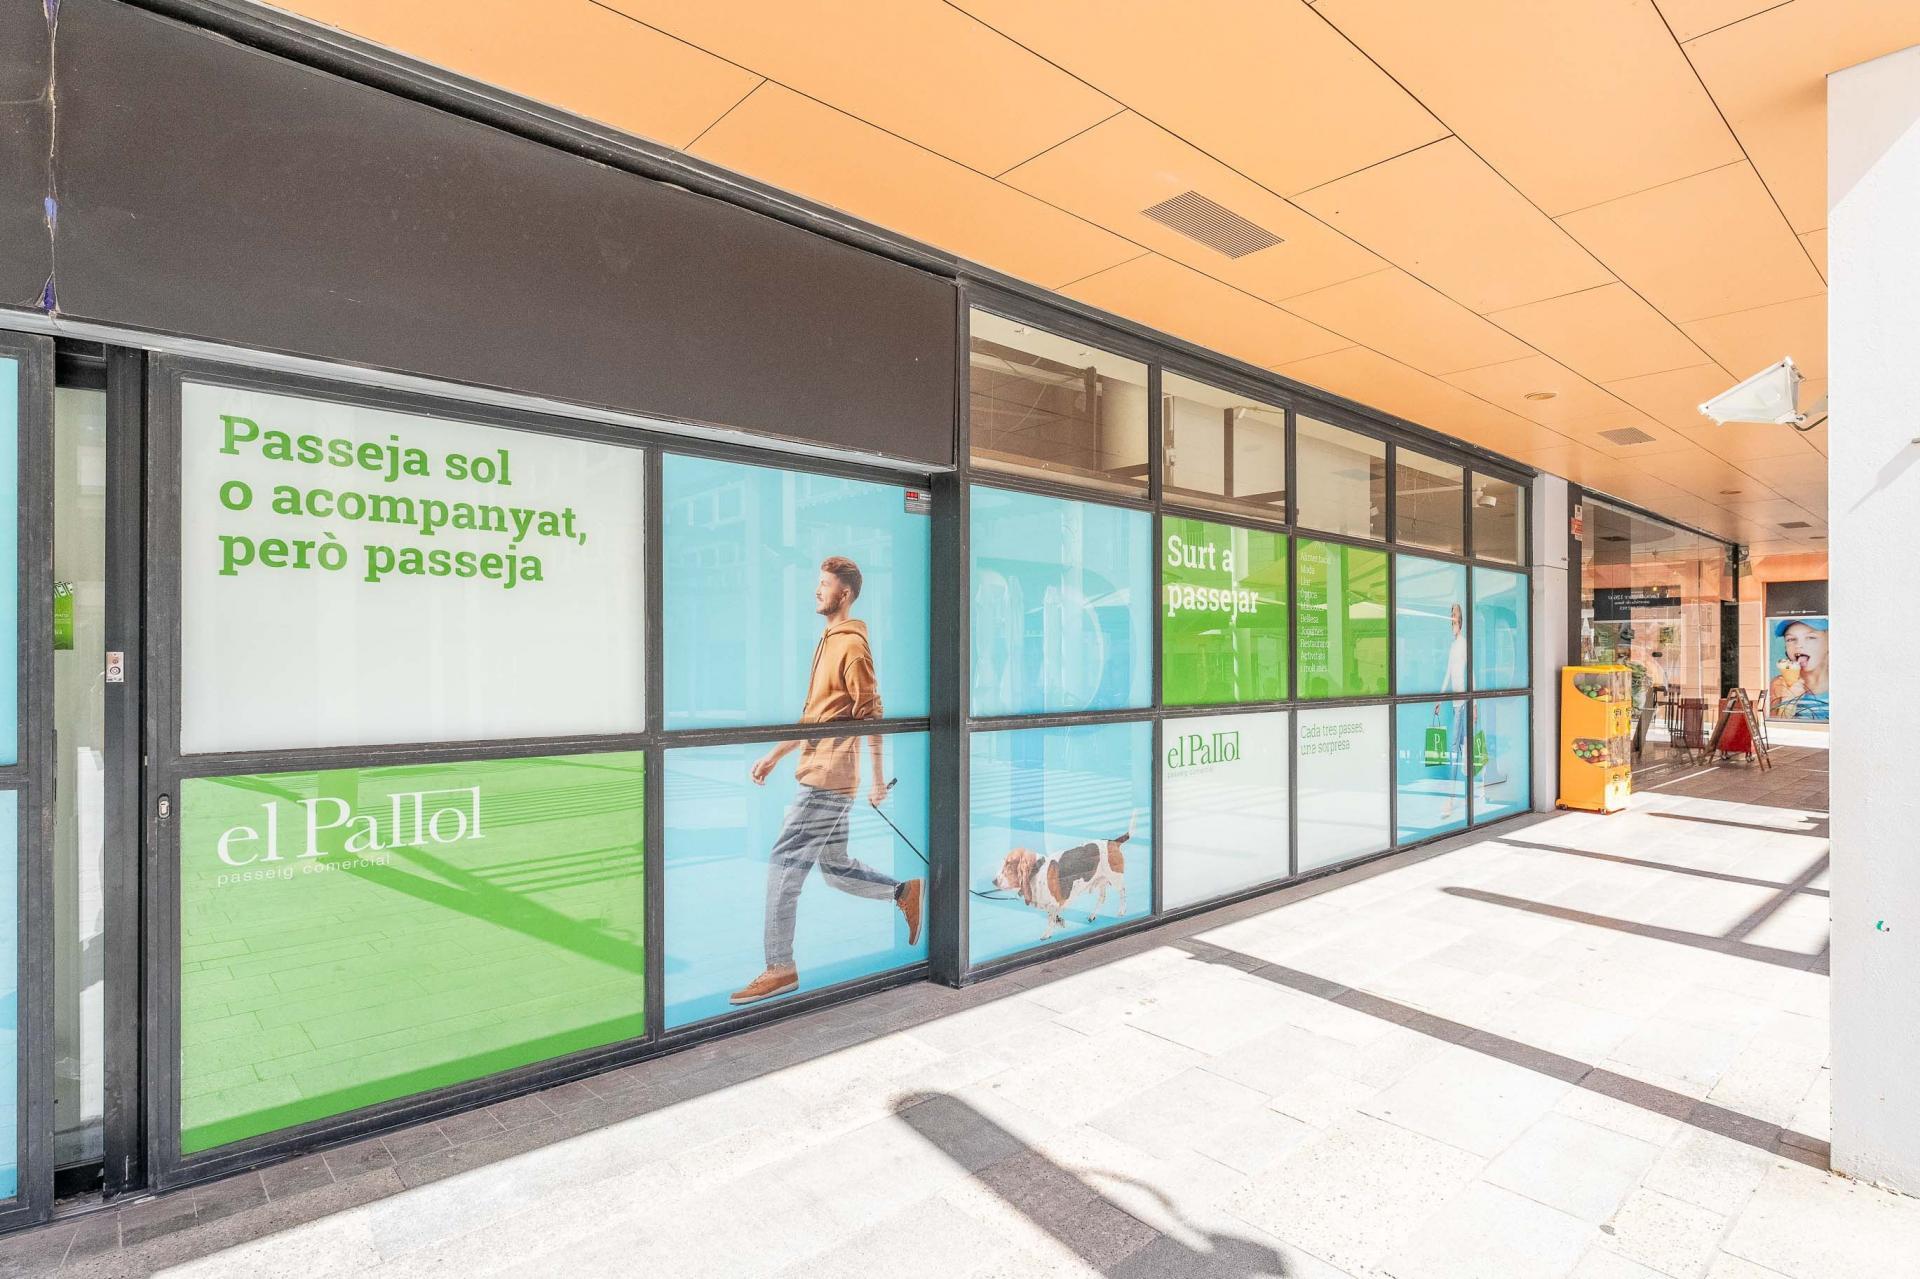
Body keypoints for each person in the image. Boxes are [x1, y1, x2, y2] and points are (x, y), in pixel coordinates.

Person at [730, 556, 924, 1006]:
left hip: (827, 777)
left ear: (845, 594)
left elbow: (871, 713)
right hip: (823, 771)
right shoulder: (829, 640)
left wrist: (877, 779)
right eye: (817, 583)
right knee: (835, 868)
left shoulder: (852, 646)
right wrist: (776, 756)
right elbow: (814, 717)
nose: (817, 591)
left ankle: (779, 967)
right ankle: (903, 891)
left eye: (824, 584)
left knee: (783, 863)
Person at [1435, 602, 1468, 820]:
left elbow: (1469, 672)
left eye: (1454, 617)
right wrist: (1439, 697)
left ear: (1460, 621)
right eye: (1450, 617)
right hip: (1456, 703)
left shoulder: (1464, 644)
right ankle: (1456, 794)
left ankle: (1452, 796)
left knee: (1457, 748)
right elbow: (1448, 673)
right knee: (1459, 747)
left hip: (1464, 703)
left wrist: (1473, 703)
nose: (1452, 620)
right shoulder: (1453, 645)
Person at [1768, 618, 1830, 722]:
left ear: (1829, 642)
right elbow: (1773, 730)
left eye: (1811, 637)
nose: (1798, 645)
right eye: (1791, 639)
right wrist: (1789, 702)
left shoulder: (1841, 685)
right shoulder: (1778, 686)